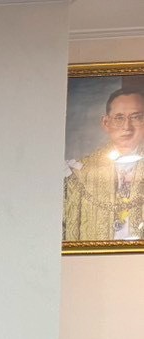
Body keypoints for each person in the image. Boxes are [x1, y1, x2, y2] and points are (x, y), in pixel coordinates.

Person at [64, 87, 144, 241]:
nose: (127, 127)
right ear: (106, 123)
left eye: (136, 117)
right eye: (119, 118)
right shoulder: (79, 172)